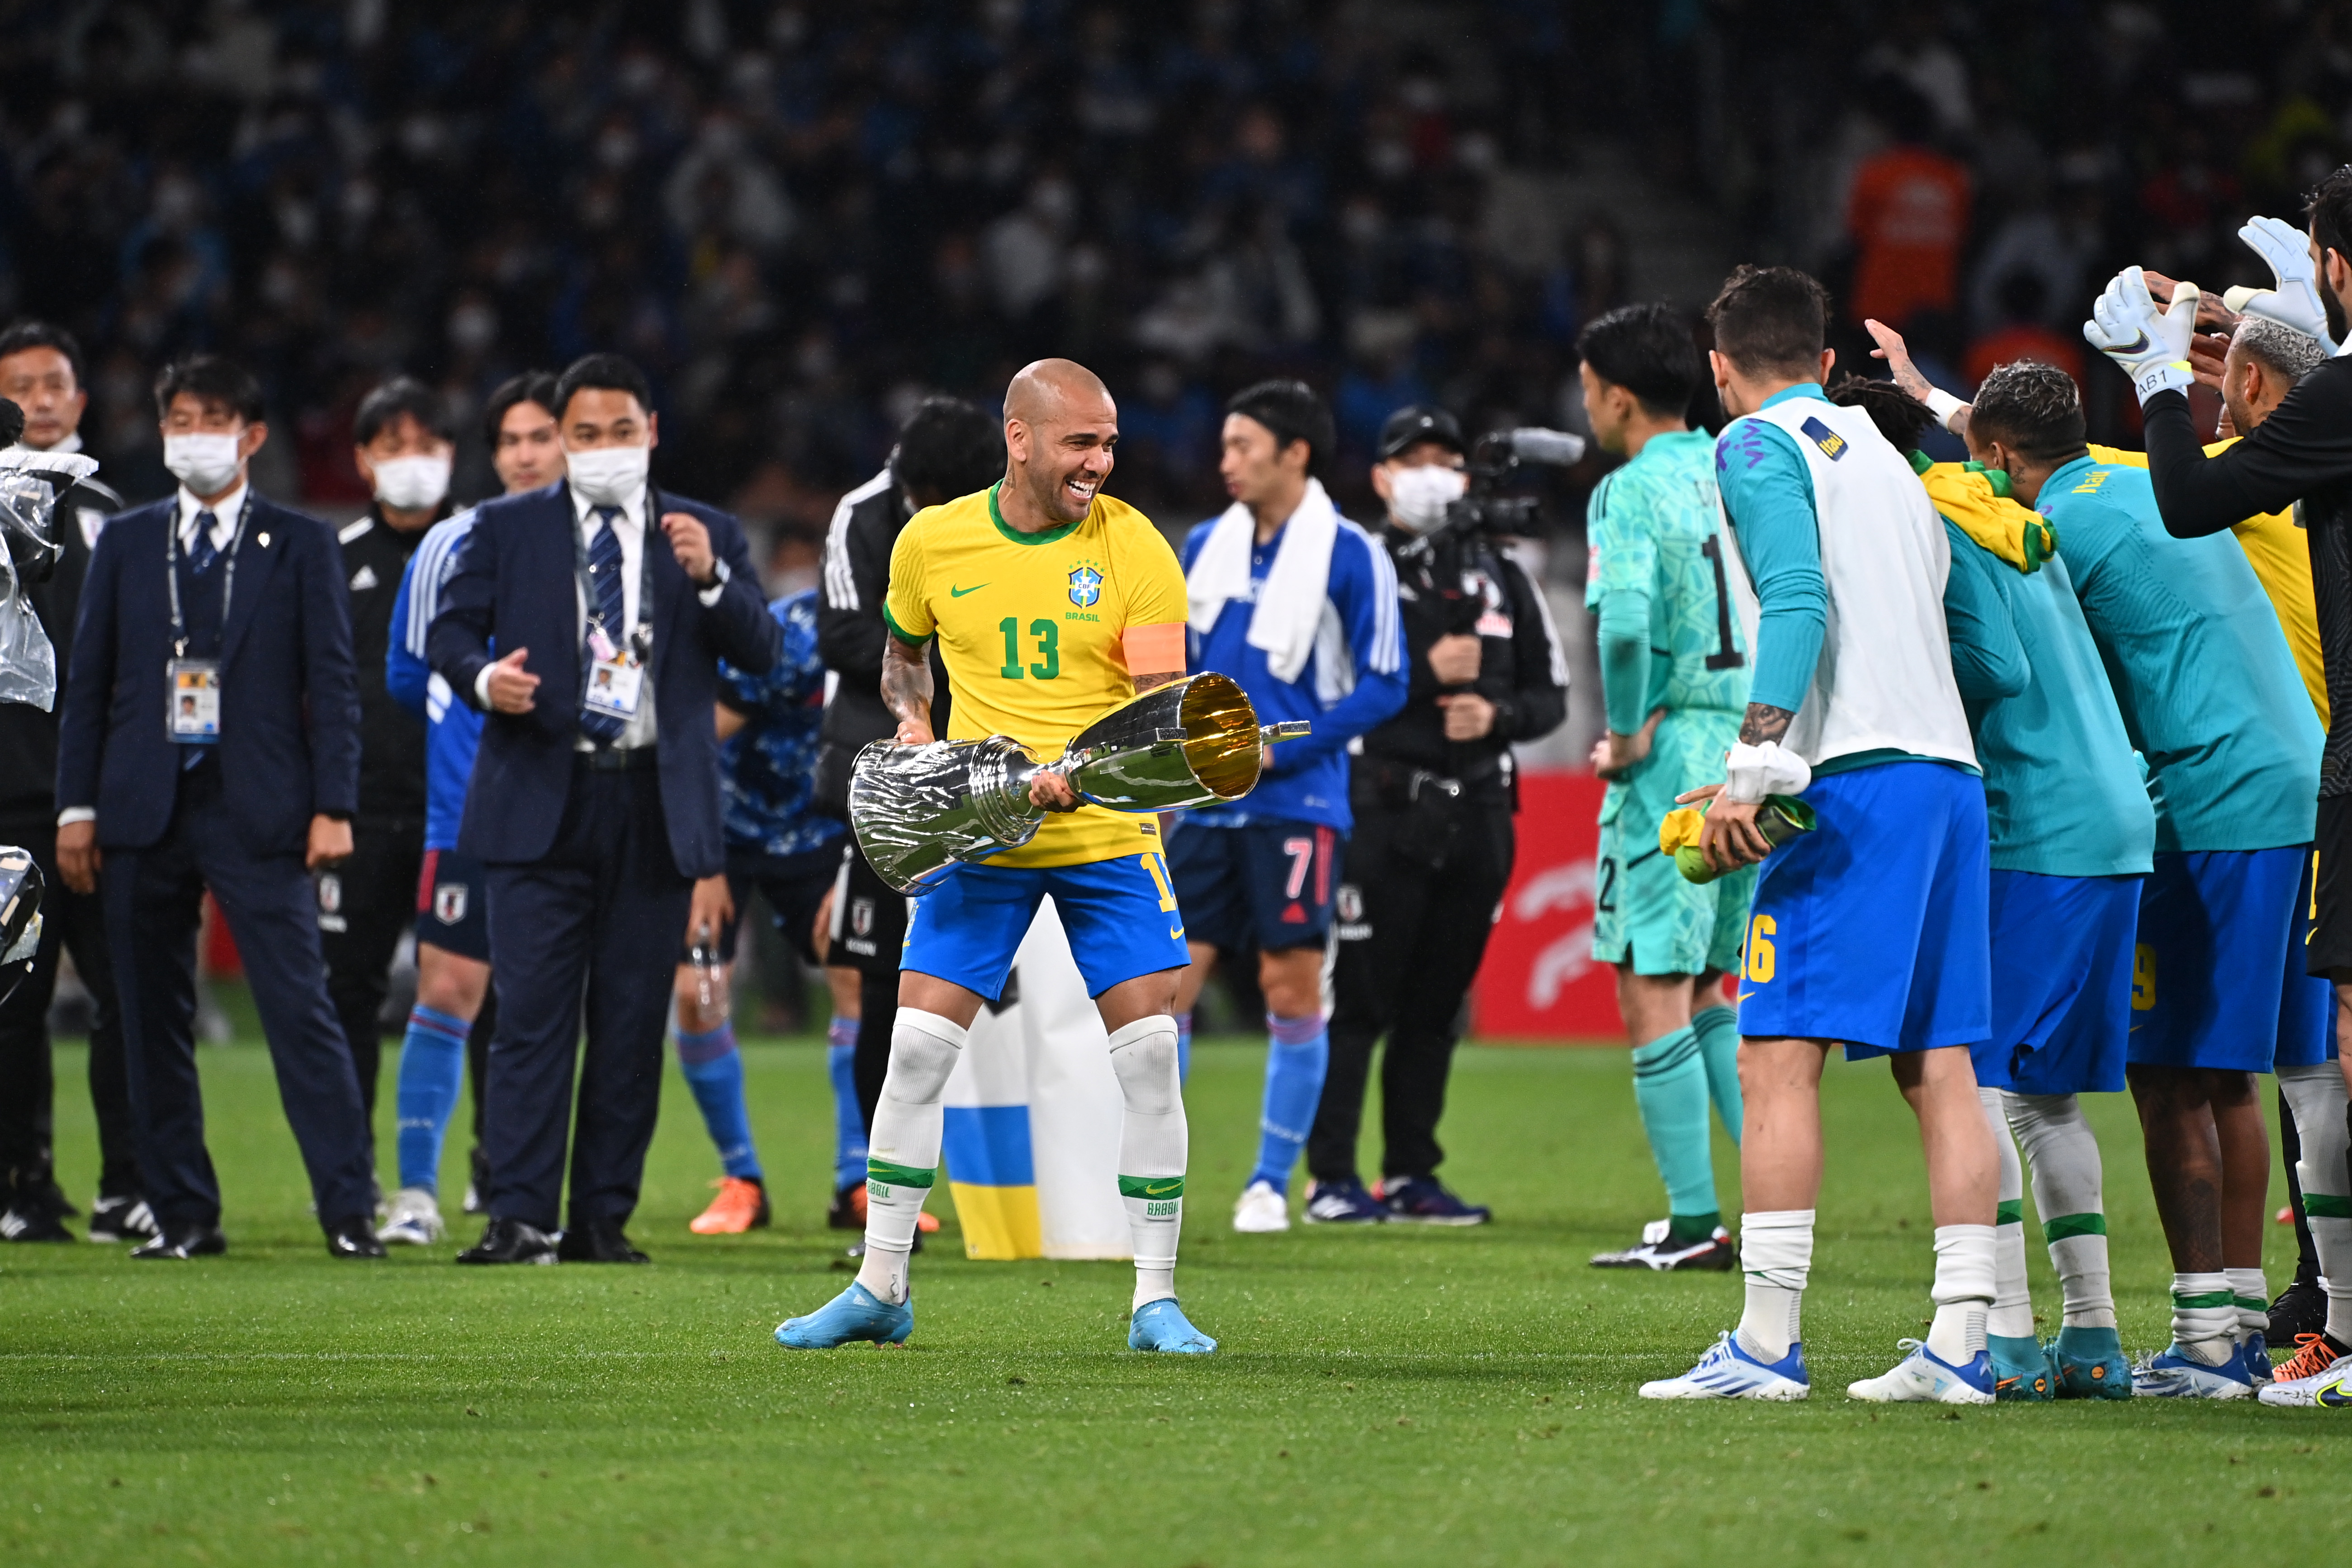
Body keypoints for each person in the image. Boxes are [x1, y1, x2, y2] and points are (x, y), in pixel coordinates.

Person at [776, 358, 1211, 1354]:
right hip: (983, 835)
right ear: (1019, 439)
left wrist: (1087, 772)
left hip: (1104, 836)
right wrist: (917, 724)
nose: (1100, 461)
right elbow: (901, 654)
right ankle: (881, 1287)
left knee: (1149, 1061)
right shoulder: (932, 541)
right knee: (916, 1050)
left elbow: (1162, 712)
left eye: (1109, 443)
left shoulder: (1136, 544)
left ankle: (1155, 1301)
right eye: (1080, 442)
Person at [1640, 266, 2002, 1405]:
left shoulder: (1754, 447)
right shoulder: (1894, 462)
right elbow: (1967, 635)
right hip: (1946, 776)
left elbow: (1795, 600)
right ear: (1829, 356)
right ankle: (1961, 1344)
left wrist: (1752, 769)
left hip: (1853, 782)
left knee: (1772, 1055)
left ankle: (1764, 1343)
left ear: (1719, 367)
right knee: (1941, 1065)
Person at [1955, 346, 2320, 1397]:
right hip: (2294, 782)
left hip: (2211, 803)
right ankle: (2243, 1321)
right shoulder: (2136, 477)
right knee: (2241, 1078)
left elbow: (2032, 674)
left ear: (2000, 455)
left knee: (2169, 1076)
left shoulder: (2053, 531)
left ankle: (2203, 1346)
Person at [1837, 360, 2153, 1403]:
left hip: (2041, 823)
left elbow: (1998, 669)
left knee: (1973, 1081)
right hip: (2109, 815)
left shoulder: (1940, 519)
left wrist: (1909, 683)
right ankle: (2094, 1339)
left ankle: (2004, 1341)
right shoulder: (1993, 501)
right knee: (2043, 1098)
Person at [428, 352, 778, 1265]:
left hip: (655, 802)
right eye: (585, 435)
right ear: (564, 441)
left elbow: (766, 653)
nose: (603, 448)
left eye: (621, 432)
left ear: (651, 433)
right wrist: (480, 677)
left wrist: (710, 583)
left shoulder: (703, 530)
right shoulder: (507, 528)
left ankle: (600, 1222)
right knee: (532, 1016)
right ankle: (517, 1217)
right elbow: (449, 631)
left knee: (629, 1024)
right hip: (542, 791)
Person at [53, 353, 380, 1260]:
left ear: (253, 435)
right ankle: (184, 1213)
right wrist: (76, 806)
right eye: (180, 420)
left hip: (262, 808)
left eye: (213, 419)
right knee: (148, 1019)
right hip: (140, 807)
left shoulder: (302, 541)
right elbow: (89, 687)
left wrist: (335, 805)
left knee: (298, 1009)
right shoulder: (125, 540)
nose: (194, 436)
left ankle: (349, 1211)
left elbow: (335, 689)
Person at [1302, 402, 1566, 1226]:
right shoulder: (1354, 567)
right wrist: (1423, 670)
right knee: (1357, 1000)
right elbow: (1319, 688)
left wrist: (1495, 716)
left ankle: (1412, 1174)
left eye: (1446, 460)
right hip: (1381, 802)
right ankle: (1333, 1179)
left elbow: (1549, 691)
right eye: (1412, 458)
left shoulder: (1501, 573)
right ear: (1380, 476)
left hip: (1481, 805)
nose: (1433, 474)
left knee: (1436, 1003)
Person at [1172, 379, 1407, 1234]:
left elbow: (1388, 683)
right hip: (1204, 802)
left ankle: (1269, 1182)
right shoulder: (1204, 544)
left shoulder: (1350, 552)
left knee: (1291, 983)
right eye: (1225, 447)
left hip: (1299, 801)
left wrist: (1287, 745)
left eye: (1242, 447)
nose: (1225, 461)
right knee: (1169, 988)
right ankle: (1152, 1169)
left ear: (1294, 454)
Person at [1565, 305, 1751, 1265]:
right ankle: (1769, 1203)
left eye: (1589, 386)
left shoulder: (1628, 490)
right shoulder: (1738, 465)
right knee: (1711, 986)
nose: (1584, 402)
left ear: (1619, 396)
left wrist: (1629, 732)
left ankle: (1691, 1226)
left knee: (1651, 987)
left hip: (1674, 743)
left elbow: (1627, 625)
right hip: (1749, 748)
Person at [377, 371, 564, 1244]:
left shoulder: (608, 543)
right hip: (467, 811)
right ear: (492, 457)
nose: (526, 456)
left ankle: (524, 1188)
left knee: (547, 1007)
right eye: (511, 442)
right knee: (448, 989)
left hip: (578, 811)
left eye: (542, 437)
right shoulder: (451, 543)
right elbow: (410, 676)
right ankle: (415, 1193)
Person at [814, 396, 1001, 1231]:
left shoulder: (1011, 517)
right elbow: (840, 634)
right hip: (892, 778)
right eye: (920, 493)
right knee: (878, 980)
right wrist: (934, 643)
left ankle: (1012, 1178)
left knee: (1001, 988)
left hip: (992, 770)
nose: (930, 510)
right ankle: (867, 1176)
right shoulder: (862, 515)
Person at [0, 320, 147, 1243]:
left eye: (56, 381)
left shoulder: (119, 513)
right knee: (12, 1003)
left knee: (125, 994)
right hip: (10, 791)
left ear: (81, 400)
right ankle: (25, 1185)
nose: (42, 398)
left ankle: (128, 1182)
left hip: (99, 795)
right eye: (21, 384)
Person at [671, 583, 849, 1235]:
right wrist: (703, 863)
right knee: (699, 994)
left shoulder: (930, 630)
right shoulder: (787, 637)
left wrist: (859, 865)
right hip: (729, 835)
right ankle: (742, 1179)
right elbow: (694, 743)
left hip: (826, 837)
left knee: (859, 976)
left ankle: (857, 1183)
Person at [321, 378, 455, 1175]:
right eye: (393, 445)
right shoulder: (332, 562)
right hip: (361, 810)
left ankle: (490, 1168)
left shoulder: (483, 546)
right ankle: (348, 1171)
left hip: (464, 812)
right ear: (364, 461)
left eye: (427, 444)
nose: (412, 461)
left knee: (483, 996)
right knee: (347, 996)